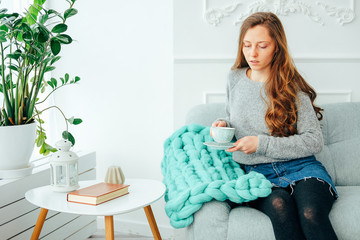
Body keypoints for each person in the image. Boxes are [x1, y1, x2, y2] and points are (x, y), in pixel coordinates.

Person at [211, 12, 338, 240]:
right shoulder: (234, 78)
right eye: (247, 45)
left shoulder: (291, 86)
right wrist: (223, 125)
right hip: (255, 173)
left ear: (276, 47)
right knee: (280, 205)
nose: (252, 53)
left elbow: (313, 140)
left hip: (301, 168)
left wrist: (261, 144)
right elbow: (234, 117)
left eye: (262, 46)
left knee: (310, 213)